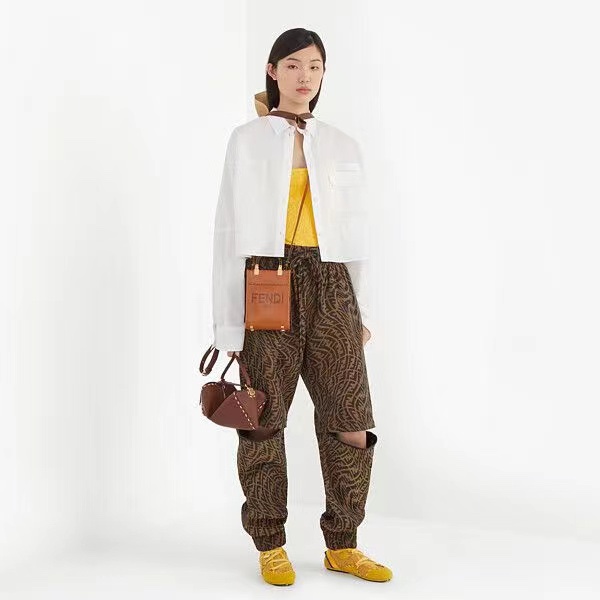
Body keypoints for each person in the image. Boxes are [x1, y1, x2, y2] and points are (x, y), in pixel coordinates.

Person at [211, 27, 392, 586]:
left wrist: (363, 311)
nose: (304, 76)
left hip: (332, 282)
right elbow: (227, 230)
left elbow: (359, 234)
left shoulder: (342, 144)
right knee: (263, 419)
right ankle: (270, 543)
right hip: (267, 278)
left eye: (314, 66)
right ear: (272, 71)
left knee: (351, 422)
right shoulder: (247, 140)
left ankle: (343, 543)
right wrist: (228, 326)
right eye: (292, 65)